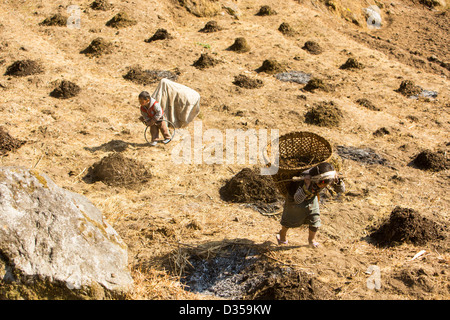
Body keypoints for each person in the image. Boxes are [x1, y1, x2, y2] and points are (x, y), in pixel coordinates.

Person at [276, 162, 345, 248]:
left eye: (325, 184)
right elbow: (297, 200)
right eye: (322, 183)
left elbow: (341, 190)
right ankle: (282, 235)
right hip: (294, 199)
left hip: (311, 198)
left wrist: (338, 181)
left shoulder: (326, 178)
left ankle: (311, 240)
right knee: (290, 220)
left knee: (315, 220)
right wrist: (307, 186)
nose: (323, 186)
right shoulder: (303, 180)